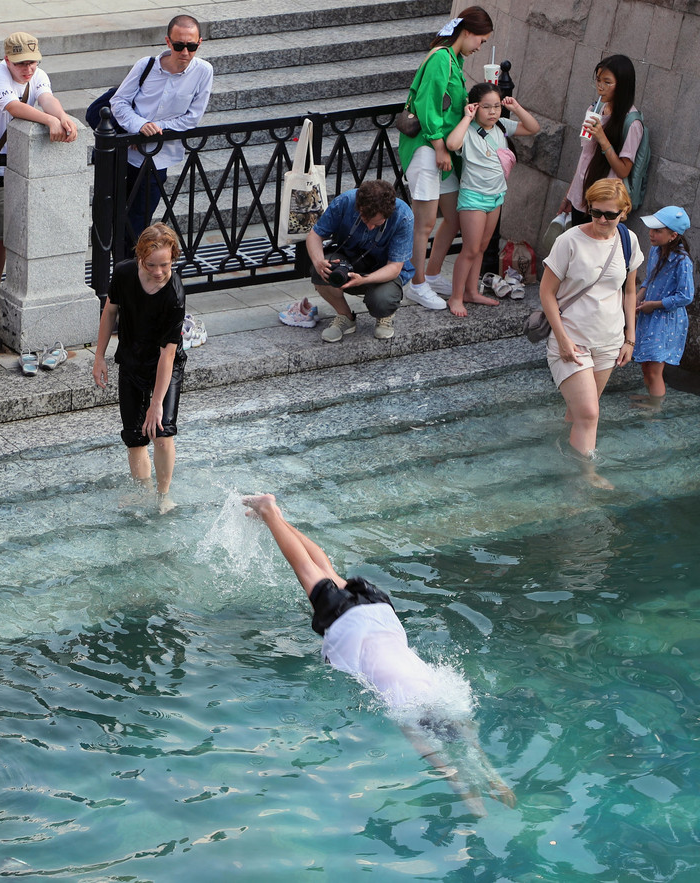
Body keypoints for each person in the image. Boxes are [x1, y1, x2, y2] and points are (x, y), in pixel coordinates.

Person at [242, 492, 516, 816]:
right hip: (351, 626)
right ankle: (270, 512)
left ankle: (275, 516)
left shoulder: (446, 691)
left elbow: (471, 741)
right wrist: (466, 792)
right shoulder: (405, 710)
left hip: (382, 613)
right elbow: (436, 758)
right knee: (306, 568)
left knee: (324, 568)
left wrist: (494, 779)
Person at [539, 178, 643, 489]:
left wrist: (630, 339)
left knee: (578, 413)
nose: (601, 220)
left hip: (609, 342)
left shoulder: (628, 241)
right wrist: (561, 338)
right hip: (571, 340)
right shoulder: (569, 241)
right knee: (589, 413)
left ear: (623, 212)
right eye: (595, 212)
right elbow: (546, 293)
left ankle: (560, 463)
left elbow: (629, 291)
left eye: (609, 215)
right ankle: (586, 478)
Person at [397, 7, 493, 311]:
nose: (481, 46)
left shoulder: (454, 59)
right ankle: (417, 283)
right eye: (481, 39)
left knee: (452, 217)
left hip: (442, 151)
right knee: (424, 223)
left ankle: (433, 274)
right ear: (466, 32)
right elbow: (428, 106)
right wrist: (439, 147)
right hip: (427, 149)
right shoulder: (441, 58)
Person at [0, 31, 78, 286]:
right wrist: (50, 119)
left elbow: (47, 98)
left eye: (32, 62)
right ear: (7, 60)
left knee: (15, 232)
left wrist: (61, 116)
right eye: (21, 63)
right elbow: (13, 106)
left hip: (20, 164)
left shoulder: (37, 75)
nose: (28, 68)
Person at [92, 223, 186, 512]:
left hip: (164, 366)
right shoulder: (123, 273)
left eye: (165, 266)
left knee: (161, 432)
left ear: (173, 259)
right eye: (151, 265)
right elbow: (110, 311)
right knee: (134, 436)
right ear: (139, 258)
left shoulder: (174, 295)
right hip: (131, 359)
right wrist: (99, 357)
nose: (158, 272)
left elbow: (167, 356)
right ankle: (142, 492)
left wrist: (157, 403)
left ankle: (163, 495)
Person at [110, 14, 214, 249]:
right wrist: (138, 126)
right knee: (109, 218)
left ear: (200, 43)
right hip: (123, 154)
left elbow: (192, 118)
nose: (185, 52)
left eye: (191, 46)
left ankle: (130, 273)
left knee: (138, 224)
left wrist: (154, 131)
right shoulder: (146, 65)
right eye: (179, 46)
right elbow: (119, 102)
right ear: (168, 42)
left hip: (157, 159)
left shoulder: (203, 71)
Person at [444, 84, 539, 316]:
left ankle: (472, 291)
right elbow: (452, 144)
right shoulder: (467, 130)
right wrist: (467, 117)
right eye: (486, 107)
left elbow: (533, 128)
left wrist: (515, 107)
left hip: (496, 196)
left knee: (482, 248)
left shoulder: (502, 126)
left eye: (496, 106)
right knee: (470, 249)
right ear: (475, 107)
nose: (493, 112)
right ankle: (455, 297)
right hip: (473, 197)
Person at [304, 178, 414, 343]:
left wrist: (364, 279)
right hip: (349, 258)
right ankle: (345, 316)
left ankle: (385, 315)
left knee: (382, 300)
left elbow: (395, 267)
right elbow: (315, 235)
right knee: (320, 270)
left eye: (376, 224)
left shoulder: (403, 216)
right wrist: (319, 261)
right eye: (365, 220)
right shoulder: (346, 201)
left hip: (384, 269)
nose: (370, 227)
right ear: (359, 207)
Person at [559, 55, 644, 230]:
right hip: (580, 195)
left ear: (622, 86)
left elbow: (623, 169)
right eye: (598, 80)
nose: (600, 87)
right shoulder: (594, 109)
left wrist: (602, 139)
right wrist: (570, 194)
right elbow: (586, 156)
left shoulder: (631, 123)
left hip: (604, 204)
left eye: (607, 82)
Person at [632, 206, 693, 411]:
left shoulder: (682, 261)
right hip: (649, 315)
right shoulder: (655, 250)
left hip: (666, 321)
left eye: (657, 230)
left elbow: (686, 296)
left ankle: (656, 408)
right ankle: (652, 397)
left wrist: (655, 305)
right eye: (652, 229)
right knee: (645, 364)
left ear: (673, 235)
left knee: (655, 370)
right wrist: (636, 301)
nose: (651, 233)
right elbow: (649, 280)